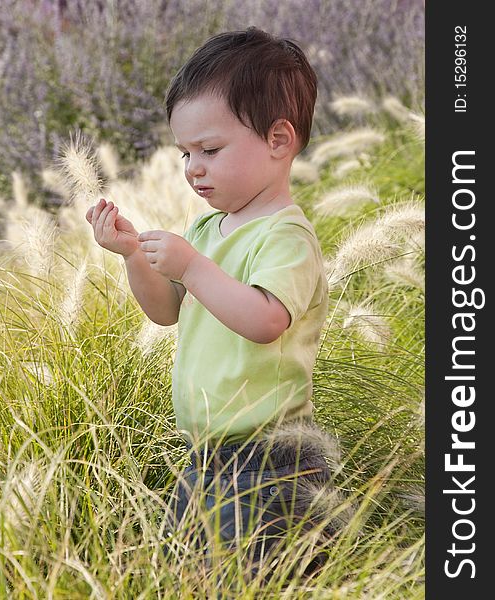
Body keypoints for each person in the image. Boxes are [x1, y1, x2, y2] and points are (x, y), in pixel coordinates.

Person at [86, 26, 339, 583]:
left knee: (252, 577)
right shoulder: (207, 226)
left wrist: (194, 267)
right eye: (185, 152)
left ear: (279, 141)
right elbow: (167, 311)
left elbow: (265, 320)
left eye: (210, 149)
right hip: (207, 452)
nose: (192, 168)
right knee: (189, 572)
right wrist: (133, 256)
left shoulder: (285, 238)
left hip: (269, 456)